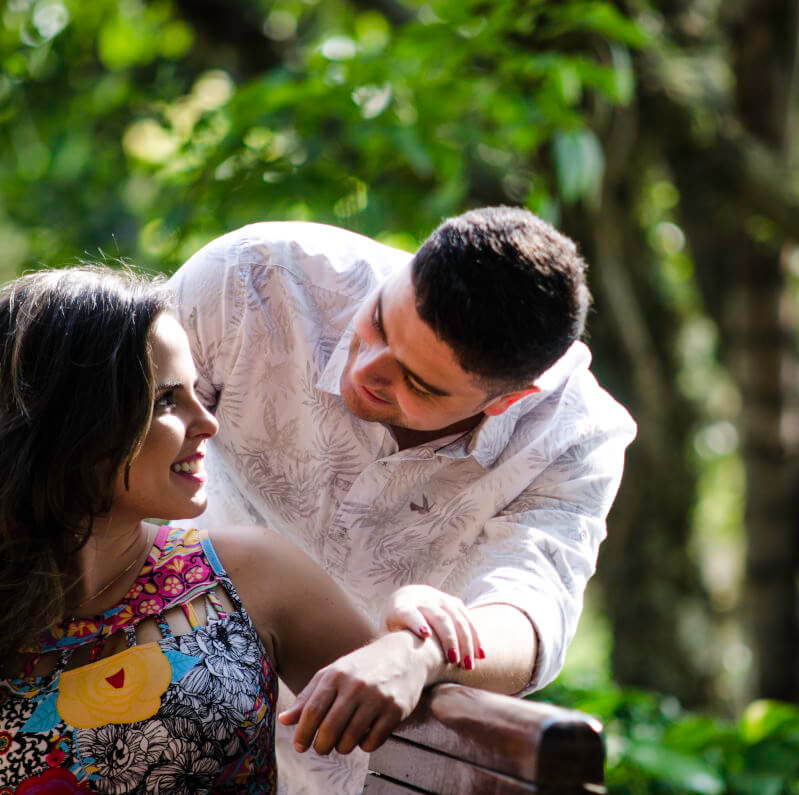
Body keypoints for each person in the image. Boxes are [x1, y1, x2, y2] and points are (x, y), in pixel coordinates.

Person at [169, 206, 637, 793]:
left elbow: (531, 612)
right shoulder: (252, 278)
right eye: (379, 322)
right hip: (157, 701)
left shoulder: (573, 436)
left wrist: (424, 649)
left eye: (418, 383)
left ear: (509, 400)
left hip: (359, 768)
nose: (365, 368)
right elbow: (103, 450)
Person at [0, 267, 444, 792]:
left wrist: (422, 647)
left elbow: (418, 704)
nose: (208, 422)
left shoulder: (249, 573)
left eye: (196, 390)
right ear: (71, 423)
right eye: (167, 399)